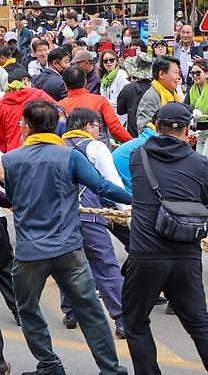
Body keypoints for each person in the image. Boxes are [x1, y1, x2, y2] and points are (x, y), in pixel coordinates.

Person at [2, 100, 131, 375]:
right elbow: (102, 186)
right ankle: (110, 368)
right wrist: (137, 200)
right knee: (91, 311)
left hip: (29, 253)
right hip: (69, 250)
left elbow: (12, 199)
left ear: (27, 127)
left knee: (27, 309)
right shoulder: (69, 156)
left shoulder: (11, 160)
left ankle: (49, 364)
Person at [123, 102, 208, 375]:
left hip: (145, 254)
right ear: (188, 130)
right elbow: (204, 200)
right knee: (200, 324)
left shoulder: (138, 155)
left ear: (156, 128)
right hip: (186, 253)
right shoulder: (199, 162)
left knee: (135, 322)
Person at [59, 108, 128, 338]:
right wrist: (127, 211)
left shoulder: (57, 146)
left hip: (62, 216)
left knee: (69, 264)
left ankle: (70, 313)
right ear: (87, 126)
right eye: (98, 126)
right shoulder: (95, 148)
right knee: (105, 264)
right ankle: (121, 318)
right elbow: (110, 180)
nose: (100, 131)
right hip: (89, 213)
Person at [59, 67, 132, 148]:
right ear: (85, 82)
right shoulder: (100, 101)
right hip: (101, 150)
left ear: (65, 85)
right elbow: (115, 128)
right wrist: (133, 143)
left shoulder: (60, 106)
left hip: (73, 152)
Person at [0, 70, 54, 152]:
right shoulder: (38, 94)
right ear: (25, 81)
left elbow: (1, 137)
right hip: (39, 149)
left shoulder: (3, 104)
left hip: (12, 152)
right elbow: (59, 112)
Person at [183, 59, 208, 159]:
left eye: (198, 72)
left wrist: (206, 115)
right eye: (192, 73)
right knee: (199, 158)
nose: (195, 75)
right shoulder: (191, 89)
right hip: (197, 132)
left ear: (206, 74)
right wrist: (193, 111)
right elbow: (185, 106)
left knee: (205, 159)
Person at [136, 55, 181, 133]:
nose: (178, 77)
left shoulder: (172, 93)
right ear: (162, 74)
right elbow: (144, 128)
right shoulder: (151, 97)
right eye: (176, 73)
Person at [117, 52, 154, 137]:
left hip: (134, 136)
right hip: (154, 135)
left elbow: (120, 110)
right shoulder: (158, 88)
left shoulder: (128, 88)